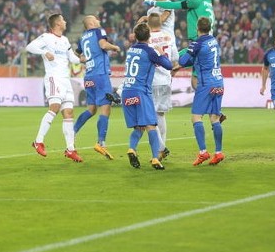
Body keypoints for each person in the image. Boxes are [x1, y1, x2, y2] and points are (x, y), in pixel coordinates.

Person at [26, 14, 83, 162]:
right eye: (63, 20)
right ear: (57, 23)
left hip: (66, 80)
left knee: (69, 113)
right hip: (54, 79)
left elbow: (72, 58)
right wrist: (44, 52)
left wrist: (84, 59)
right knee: (55, 107)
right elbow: (30, 47)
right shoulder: (46, 37)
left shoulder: (64, 40)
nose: (65, 21)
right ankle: (38, 141)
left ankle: (71, 149)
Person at [122, 22, 173, 170]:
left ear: (136, 36)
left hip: (127, 91)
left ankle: (132, 148)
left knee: (138, 127)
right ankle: (155, 159)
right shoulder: (150, 51)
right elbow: (168, 65)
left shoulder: (131, 50)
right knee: (151, 125)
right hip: (141, 92)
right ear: (149, 36)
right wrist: (161, 53)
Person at [176, 17, 225, 166]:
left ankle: (203, 152)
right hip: (219, 81)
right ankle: (218, 152)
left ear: (197, 28)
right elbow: (202, 58)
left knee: (196, 118)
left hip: (206, 84)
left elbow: (183, 61)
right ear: (209, 27)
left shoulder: (197, 43)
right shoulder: (214, 41)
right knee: (215, 119)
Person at [73, 15, 121, 160]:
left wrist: (84, 60)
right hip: (100, 74)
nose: (99, 21)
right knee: (106, 107)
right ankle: (101, 142)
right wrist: (115, 47)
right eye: (96, 19)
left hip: (88, 76)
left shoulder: (83, 38)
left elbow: (76, 54)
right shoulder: (99, 31)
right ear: (92, 23)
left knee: (91, 109)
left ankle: (72, 132)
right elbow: (103, 45)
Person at [146, 12, 179, 160]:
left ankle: (161, 148)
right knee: (160, 114)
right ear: (160, 22)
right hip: (166, 80)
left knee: (150, 117)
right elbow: (175, 58)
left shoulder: (146, 39)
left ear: (148, 23)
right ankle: (162, 148)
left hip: (151, 81)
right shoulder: (169, 36)